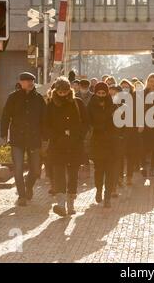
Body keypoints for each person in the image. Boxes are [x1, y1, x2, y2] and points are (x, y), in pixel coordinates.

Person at [0, 72, 46, 207]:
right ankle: (22, 195)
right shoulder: (13, 98)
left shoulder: (38, 99)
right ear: (20, 82)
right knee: (18, 168)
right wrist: (3, 133)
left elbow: (44, 119)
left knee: (36, 169)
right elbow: (6, 116)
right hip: (17, 139)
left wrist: (45, 137)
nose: (30, 82)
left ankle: (29, 185)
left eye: (32, 80)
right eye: (27, 80)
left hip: (34, 138)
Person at [46, 77, 89, 216]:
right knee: (58, 173)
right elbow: (46, 124)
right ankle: (60, 204)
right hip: (57, 145)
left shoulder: (77, 103)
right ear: (55, 91)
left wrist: (78, 135)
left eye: (65, 91)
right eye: (60, 91)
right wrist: (57, 136)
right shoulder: (51, 104)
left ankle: (70, 204)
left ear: (69, 90)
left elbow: (85, 122)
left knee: (73, 174)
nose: (63, 94)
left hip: (74, 144)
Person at [88, 82, 116, 208]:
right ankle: (99, 189)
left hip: (111, 143)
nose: (101, 95)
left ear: (106, 93)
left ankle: (108, 196)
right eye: (98, 93)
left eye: (103, 93)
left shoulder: (112, 105)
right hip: (97, 142)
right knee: (99, 170)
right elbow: (88, 122)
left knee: (110, 171)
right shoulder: (91, 105)